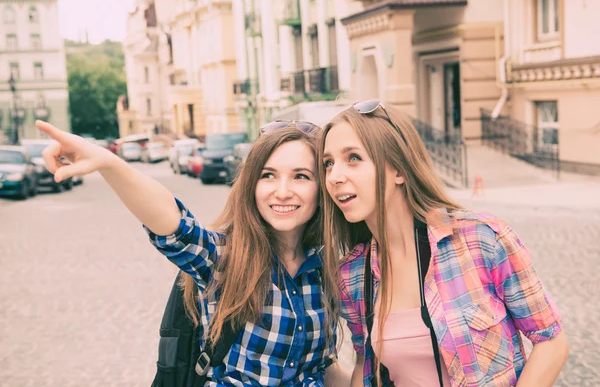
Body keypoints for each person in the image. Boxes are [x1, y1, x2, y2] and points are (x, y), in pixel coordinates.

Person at [35, 120, 343, 386]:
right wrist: (109, 163)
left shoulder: (327, 268)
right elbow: (173, 225)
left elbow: (321, 368)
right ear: (251, 184)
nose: (283, 190)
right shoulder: (225, 257)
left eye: (301, 176)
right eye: (268, 175)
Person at [317, 100, 569, 387]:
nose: (335, 176)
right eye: (328, 163)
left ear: (399, 169)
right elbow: (365, 364)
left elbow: (551, 342)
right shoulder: (351, 275)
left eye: (353, 158)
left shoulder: (482, 240)